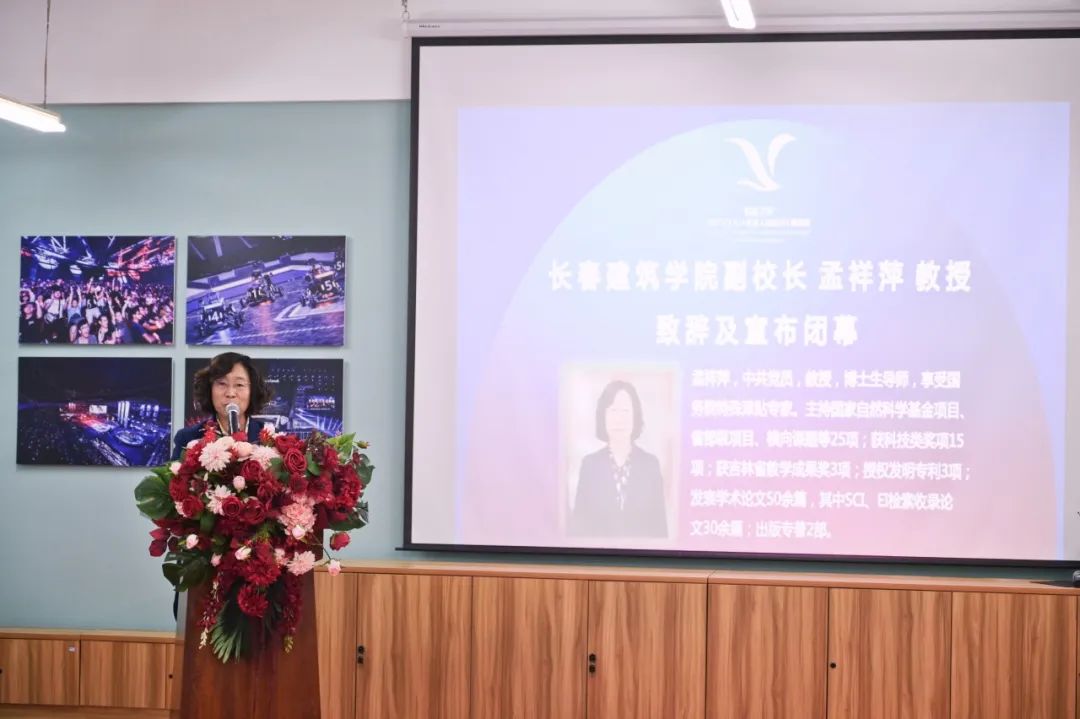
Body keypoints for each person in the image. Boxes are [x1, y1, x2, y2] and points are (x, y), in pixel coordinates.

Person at [568, 380, 668, 538]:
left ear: (635, 416)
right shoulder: (590, 465)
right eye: (613, 411)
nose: (619, 419)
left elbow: (660, 529)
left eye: (625, 411)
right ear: (603, 416)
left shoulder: (650, 465)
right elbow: (578, 528)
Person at [172, 352, 271, 460]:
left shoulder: (270, 437)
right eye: (222, 384)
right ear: (209, 389)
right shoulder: (188, 437)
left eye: (239, 385)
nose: (230, 393)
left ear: (252, 391)